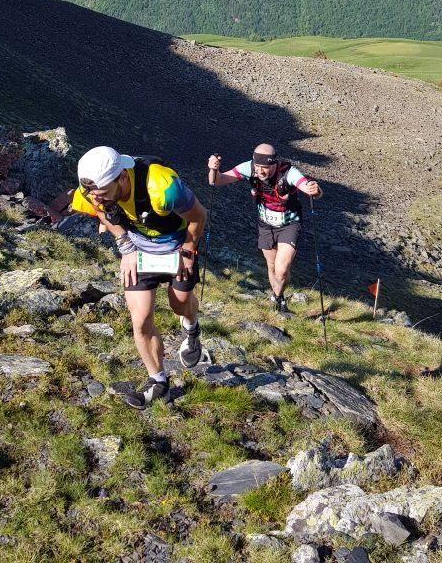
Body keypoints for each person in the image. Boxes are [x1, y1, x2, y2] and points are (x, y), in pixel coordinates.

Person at [72, 147, 206, 407]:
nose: (96, 199)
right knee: (141, 319)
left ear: (122, 177)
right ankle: (158, 382)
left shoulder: (163, 187)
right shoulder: (91, 189)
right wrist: (125, 246)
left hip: (177, 247)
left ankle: (191, 327)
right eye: (92, 194)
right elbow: (99, 210)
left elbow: (198, 216)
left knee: (179, 304)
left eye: (102, 193)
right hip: (139, 251)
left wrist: (188, 251)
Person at [208, 143, 322, 316]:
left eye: (265, 168)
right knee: (271, 266)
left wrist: (315, 190)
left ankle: (277, 296)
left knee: (282, 269)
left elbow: (308, 188)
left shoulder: (289, 173)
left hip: (289, 224)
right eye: (258, 166)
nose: (260, 171)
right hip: (266, 225)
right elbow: (217, 181)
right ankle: (278, 298)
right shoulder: (249, 168)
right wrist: (213, 169)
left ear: (274, 163)